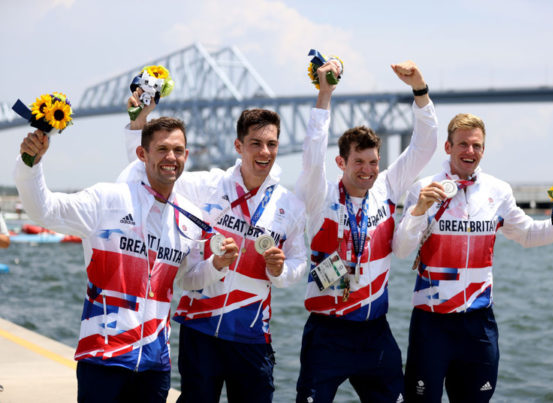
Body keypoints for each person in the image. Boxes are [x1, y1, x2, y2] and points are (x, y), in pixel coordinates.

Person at [14, 118, 239, 403]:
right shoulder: (107, 199)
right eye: (162, 149)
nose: (171, 157)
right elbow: (44, 210)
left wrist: (218, 264)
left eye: (178, 150)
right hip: (102, 356)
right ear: (142, 154)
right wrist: (30, 164)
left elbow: (187, 278)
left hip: (155, 365)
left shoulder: (190, 217)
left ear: (186, 155)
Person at [119, 96, 307, 402]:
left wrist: (280, 270)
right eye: (256, 143)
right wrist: (138, 124)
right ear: (238, 146)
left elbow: (299, 262)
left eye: (271, 144)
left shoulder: (290, 205)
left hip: (250, 334)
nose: (265, 152)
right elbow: (149, 172)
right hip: (200, 330)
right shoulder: (207, 185)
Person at [393, 112, 553, 402]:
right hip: (432, 322)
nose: (470, 151)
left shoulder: (498, 190)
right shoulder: (423, 189)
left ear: (483, 149)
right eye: (463, 144)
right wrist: (418, 211)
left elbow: (527, 234)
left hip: (478, 322)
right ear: (448, 147)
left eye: (477, 145)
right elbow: (402, 249)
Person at [294, 60, 438, 403]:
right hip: (327, 333)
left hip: (375, 333)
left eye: (373, 162)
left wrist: (419, 89)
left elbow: (425, 145)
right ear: (341, 162)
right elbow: (313, 153)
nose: (367, 170)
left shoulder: (386, 187)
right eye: (358, 162)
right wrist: (324, 95)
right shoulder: (320, 195)